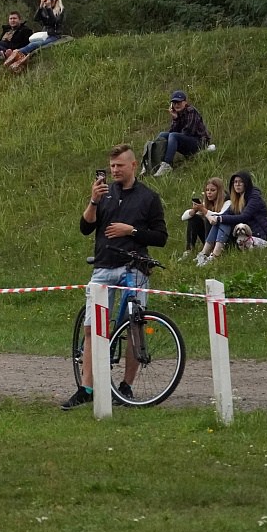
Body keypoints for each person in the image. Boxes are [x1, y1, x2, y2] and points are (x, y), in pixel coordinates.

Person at [63, 144, 168, 410]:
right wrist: (93, 200)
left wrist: (131, 231)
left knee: (136, 325)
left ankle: (126, 386)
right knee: (91, 328)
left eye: (119, 166)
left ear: (133, 165)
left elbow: (161, 237)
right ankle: (86, 387)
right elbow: (85, 228)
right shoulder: (105, 194)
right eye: (111, 166)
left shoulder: (149, 198)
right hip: (104, 266)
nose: (114, 171)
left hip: (135, 267)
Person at [206, 171, 267, 251]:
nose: (237, 184)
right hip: (242, 236)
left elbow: (244, 217)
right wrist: (214, 217)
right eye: (235, 182)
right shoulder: (237, 198)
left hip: (258, 236)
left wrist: (219, 218)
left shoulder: (254, 198)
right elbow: (226, 213)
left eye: (241, 182)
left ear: (246, 183)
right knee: (221, 220)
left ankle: (215, 255)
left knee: (224, 222)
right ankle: (204, 253)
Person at [151, 91, 213, 177]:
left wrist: (176, 133)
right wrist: (176, 118)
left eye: (179, 102)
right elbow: (171, 132)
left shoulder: (191, 111)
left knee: (173, 136)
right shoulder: (177, 114)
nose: (177, 105)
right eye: (174, 103)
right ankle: (156, 162)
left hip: (200, 143)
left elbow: (188, 132)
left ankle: (167, 164)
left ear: (185, 102)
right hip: (188, 141)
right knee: (163, 135)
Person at [3, 0, 66, 72]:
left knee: (33, 45)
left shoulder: (61, 10)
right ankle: (16, 58)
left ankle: (14, 54)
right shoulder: (46, 9)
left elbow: (54, 23)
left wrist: (49, 8)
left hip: (54, 35)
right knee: (32, 43)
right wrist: (40, 6)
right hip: (44, 34)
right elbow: (36, 19)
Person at [181, 176, 230, 259]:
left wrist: (204, 210)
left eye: (212, 190)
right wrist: (194, 210)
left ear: (219, 191)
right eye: (207, 190)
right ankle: (189, 250)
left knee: (210, 219)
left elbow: (220, 216)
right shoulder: (208, 203)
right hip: (208, 235)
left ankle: (212, 251)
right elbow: (183, 217)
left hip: (222, 236)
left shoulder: (228, 201)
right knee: (194, 218)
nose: (209, 193)